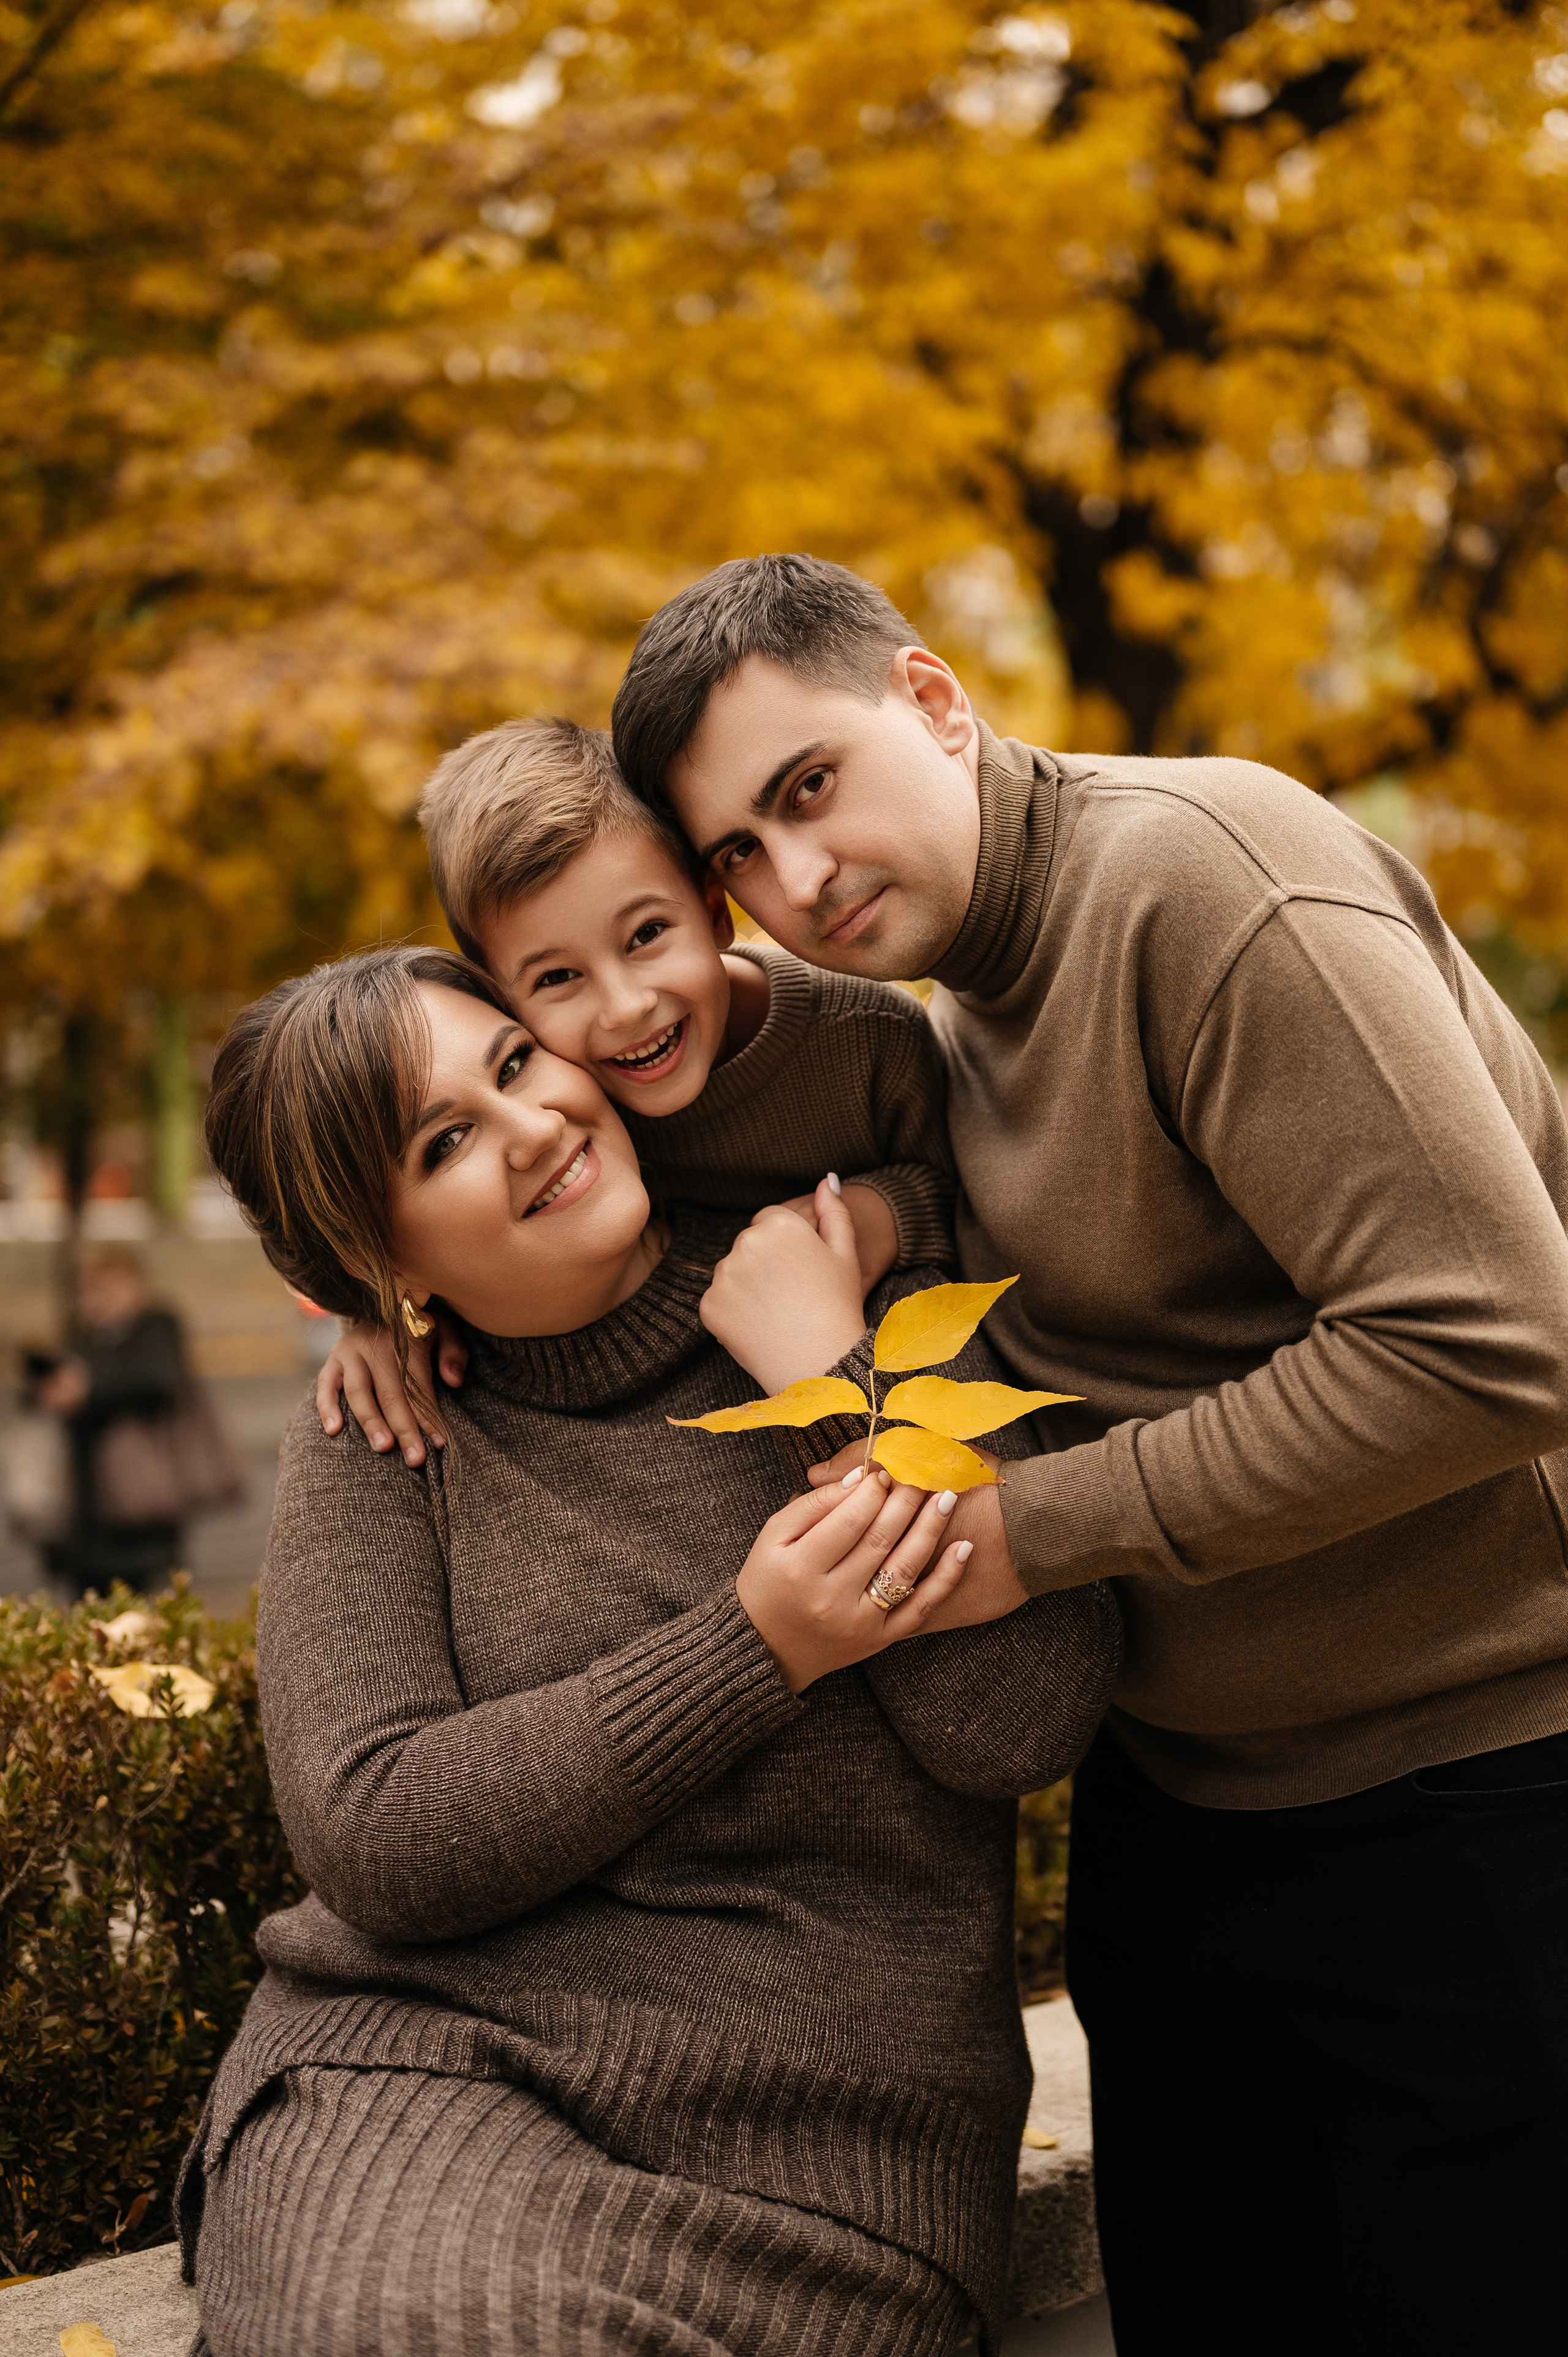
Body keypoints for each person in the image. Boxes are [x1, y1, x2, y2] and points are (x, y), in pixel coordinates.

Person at [606, 552, 1568, 2357]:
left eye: (806, 787)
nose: (793, 878)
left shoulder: (1203, 877)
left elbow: (1492, 1338)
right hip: (1187, 1818)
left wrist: (1030, 1530)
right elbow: (610, 1079)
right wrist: (391, 1281)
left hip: (1469, 1805)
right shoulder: (950, 986)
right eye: (735, 853)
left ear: (933, 699)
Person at [183, 943, 1119, 2357]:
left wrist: (828, 1384)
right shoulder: (382, 1438)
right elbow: (370, 1826)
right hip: (418, 2078)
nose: (532, 1123)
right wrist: (754, 1646)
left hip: (841, 2156)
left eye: (514, 1061)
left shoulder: (847, 1292)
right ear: (383, 1265)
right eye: (445, 1140)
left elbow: (1021, 1716)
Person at [315, 715, 953, 1466]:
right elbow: (457, 1232)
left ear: (715, 910)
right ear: (504, 1000)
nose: (623, 1009)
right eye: (557, 978)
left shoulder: (870, 1037)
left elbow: (974, 1199)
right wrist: (376, 1321)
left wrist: (870, 1217)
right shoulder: (567, 1095)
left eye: (647, 934)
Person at [38, 1246, 189, 1598]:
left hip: (140, 1502)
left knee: (139, 1611)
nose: (96, 1299)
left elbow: (159, 1381)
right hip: (85, 1508)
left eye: (105, 1288)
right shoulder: (83, 1335)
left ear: (134, 1286)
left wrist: (87, 1392)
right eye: (89, 1289)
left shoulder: (156, 1327)